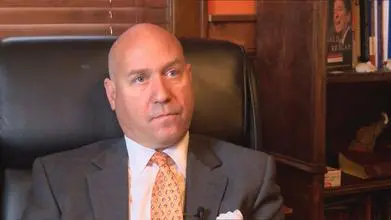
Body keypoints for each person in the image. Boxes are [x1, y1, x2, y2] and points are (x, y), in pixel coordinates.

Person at [22, 23, 284, 220]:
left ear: (189, 79)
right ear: (112, 94)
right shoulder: (58, 180)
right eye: (140, 79)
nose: (162, 94)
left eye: (172, 73)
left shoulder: (252, 175)